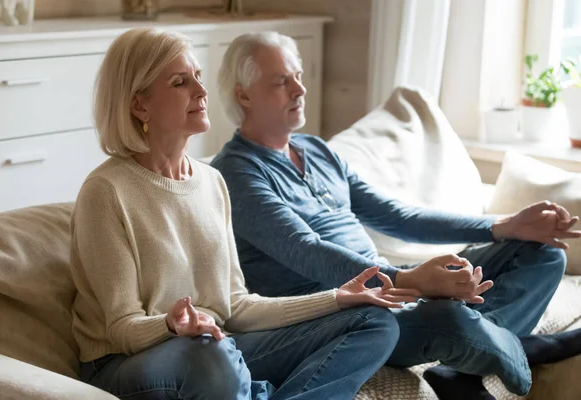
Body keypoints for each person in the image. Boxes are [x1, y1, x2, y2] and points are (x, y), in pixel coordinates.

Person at [211, 31, 581, 400]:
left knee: (543, 252)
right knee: (448, 319)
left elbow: (398, 216)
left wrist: (503, 225)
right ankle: (526, 348)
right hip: (343, 312)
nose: (299, 89)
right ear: (244, 94)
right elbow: (306, 249)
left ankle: (465, 368)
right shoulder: (237, 172)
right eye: (281, 81)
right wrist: (408, 281)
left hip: (393, 286)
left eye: (299, 76)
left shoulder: (316, 150)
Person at [69, 27, 422, 400]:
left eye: (198, 78)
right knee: (211, 356)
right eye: (180, 82)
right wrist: (171, 325)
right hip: (127, 362)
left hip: (216, 345)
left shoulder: (212, 182)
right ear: (140, 105)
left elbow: (236, 306)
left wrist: (337, 298)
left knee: (374, 320)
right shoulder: (106, 192)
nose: (202, 93)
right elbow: (122, 328)